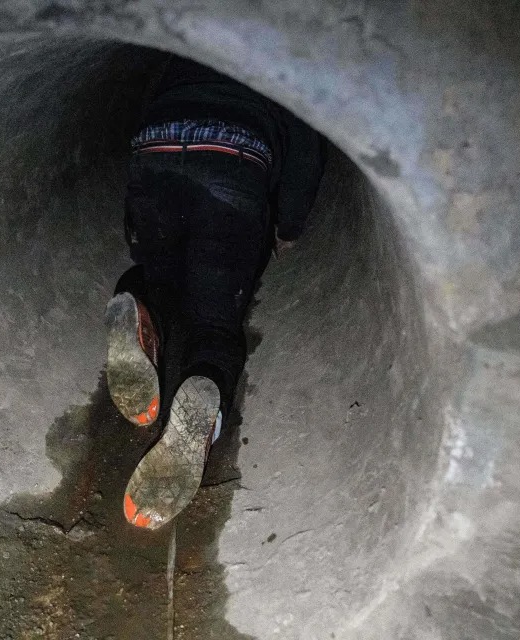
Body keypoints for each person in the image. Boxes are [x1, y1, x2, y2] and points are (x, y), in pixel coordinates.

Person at [105, 54, 326, 529]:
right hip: (235, 161)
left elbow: (151, 99)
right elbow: (306, 150)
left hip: (157, 148)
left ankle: (138, 310)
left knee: (160, 275)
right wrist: (287, 226)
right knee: (213, 323)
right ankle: (205, 398)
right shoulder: (288, 52)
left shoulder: (190, 36)